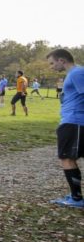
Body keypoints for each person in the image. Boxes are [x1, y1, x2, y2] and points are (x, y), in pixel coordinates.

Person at [47, 48, 83, 208]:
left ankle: (76, 199)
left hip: (74, 121)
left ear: (62, 60)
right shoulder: (73, 74)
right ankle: (76, 197)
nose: (51, 66)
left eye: (52, 63)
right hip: (72, 120)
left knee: (67, 158)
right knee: (68, 157)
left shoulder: (76, 73)